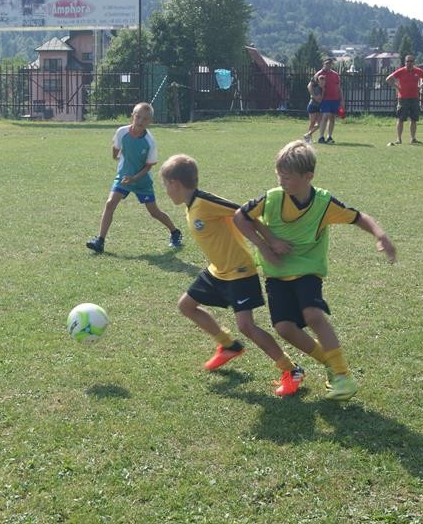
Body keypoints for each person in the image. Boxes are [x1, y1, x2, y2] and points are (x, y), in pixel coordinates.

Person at [233, 140, 396, 401]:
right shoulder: (272, 197)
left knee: (313, 315)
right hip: (276, 272)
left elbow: (358, 217)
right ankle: (329, 363)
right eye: (279, 175)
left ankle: (343, 376)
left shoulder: (323, 203)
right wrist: (266, 244)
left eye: (288, 177)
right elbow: (240, 216)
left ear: (308, 176)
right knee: (284, 328)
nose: (282, 182)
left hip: (308, 269)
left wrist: (380, 235)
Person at [160, 154, 305, 396]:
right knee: (186, 305)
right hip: (218, 270)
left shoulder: (204, 202)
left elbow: (245, 213)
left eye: (165, 185)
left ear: (175, 183)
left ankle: (292, 370)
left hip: (239, 271)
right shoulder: (191, 204)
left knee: (246, 326)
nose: (165, 191)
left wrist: (269, 242)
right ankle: (229, 345)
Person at [86, 102, 182, 253]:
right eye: (138, 117)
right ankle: (100, 241)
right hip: (123, 177)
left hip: (142, 181)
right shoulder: (121, 132)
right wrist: (117, 157)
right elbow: (116, 149)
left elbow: (148, 166)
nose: (140, 121)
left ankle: (175, 232)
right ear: (132, 116)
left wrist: (134, 178)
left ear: (150, 122)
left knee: (154, 212)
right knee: (110, 203)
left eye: (145, 119)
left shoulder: (150, 141)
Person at [386, 55, 423, 145]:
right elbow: (388, 79)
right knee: (401, 119)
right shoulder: (400, 71)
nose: (409, 63)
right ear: (405, 62)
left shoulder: (418, 71)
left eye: (411, 61)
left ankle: (413, 138)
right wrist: (397, 87)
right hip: (403, 98)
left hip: (414, 98)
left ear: (414, 62)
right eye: (408, 61)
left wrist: (421, 86)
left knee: (414, 119)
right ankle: (399, 139)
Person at [312, 58, 343, 145]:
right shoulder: (319, 73)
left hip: (335, 99)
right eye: (326, 64)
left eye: (330, 64)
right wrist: (314, 96)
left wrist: (342, 100)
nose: (328, 65)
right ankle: (321, 137)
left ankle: (329, 136)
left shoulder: (335, 74)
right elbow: (311, 84)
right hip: (325, 99)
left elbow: (339, 88)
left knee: (332, 118)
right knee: (325, 116)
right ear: (323, 64)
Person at [303, 74, 327, 143]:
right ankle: (308, 138)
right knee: (312, 122)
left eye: (323, 82)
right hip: (313, 106)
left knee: (320, 123)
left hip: (318, 107)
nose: (322, 84)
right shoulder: (317, 89)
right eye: (321, 82)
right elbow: (319, 100)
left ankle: (308, 135)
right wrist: (323, 92)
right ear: (318, 82)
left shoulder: (322, 89)